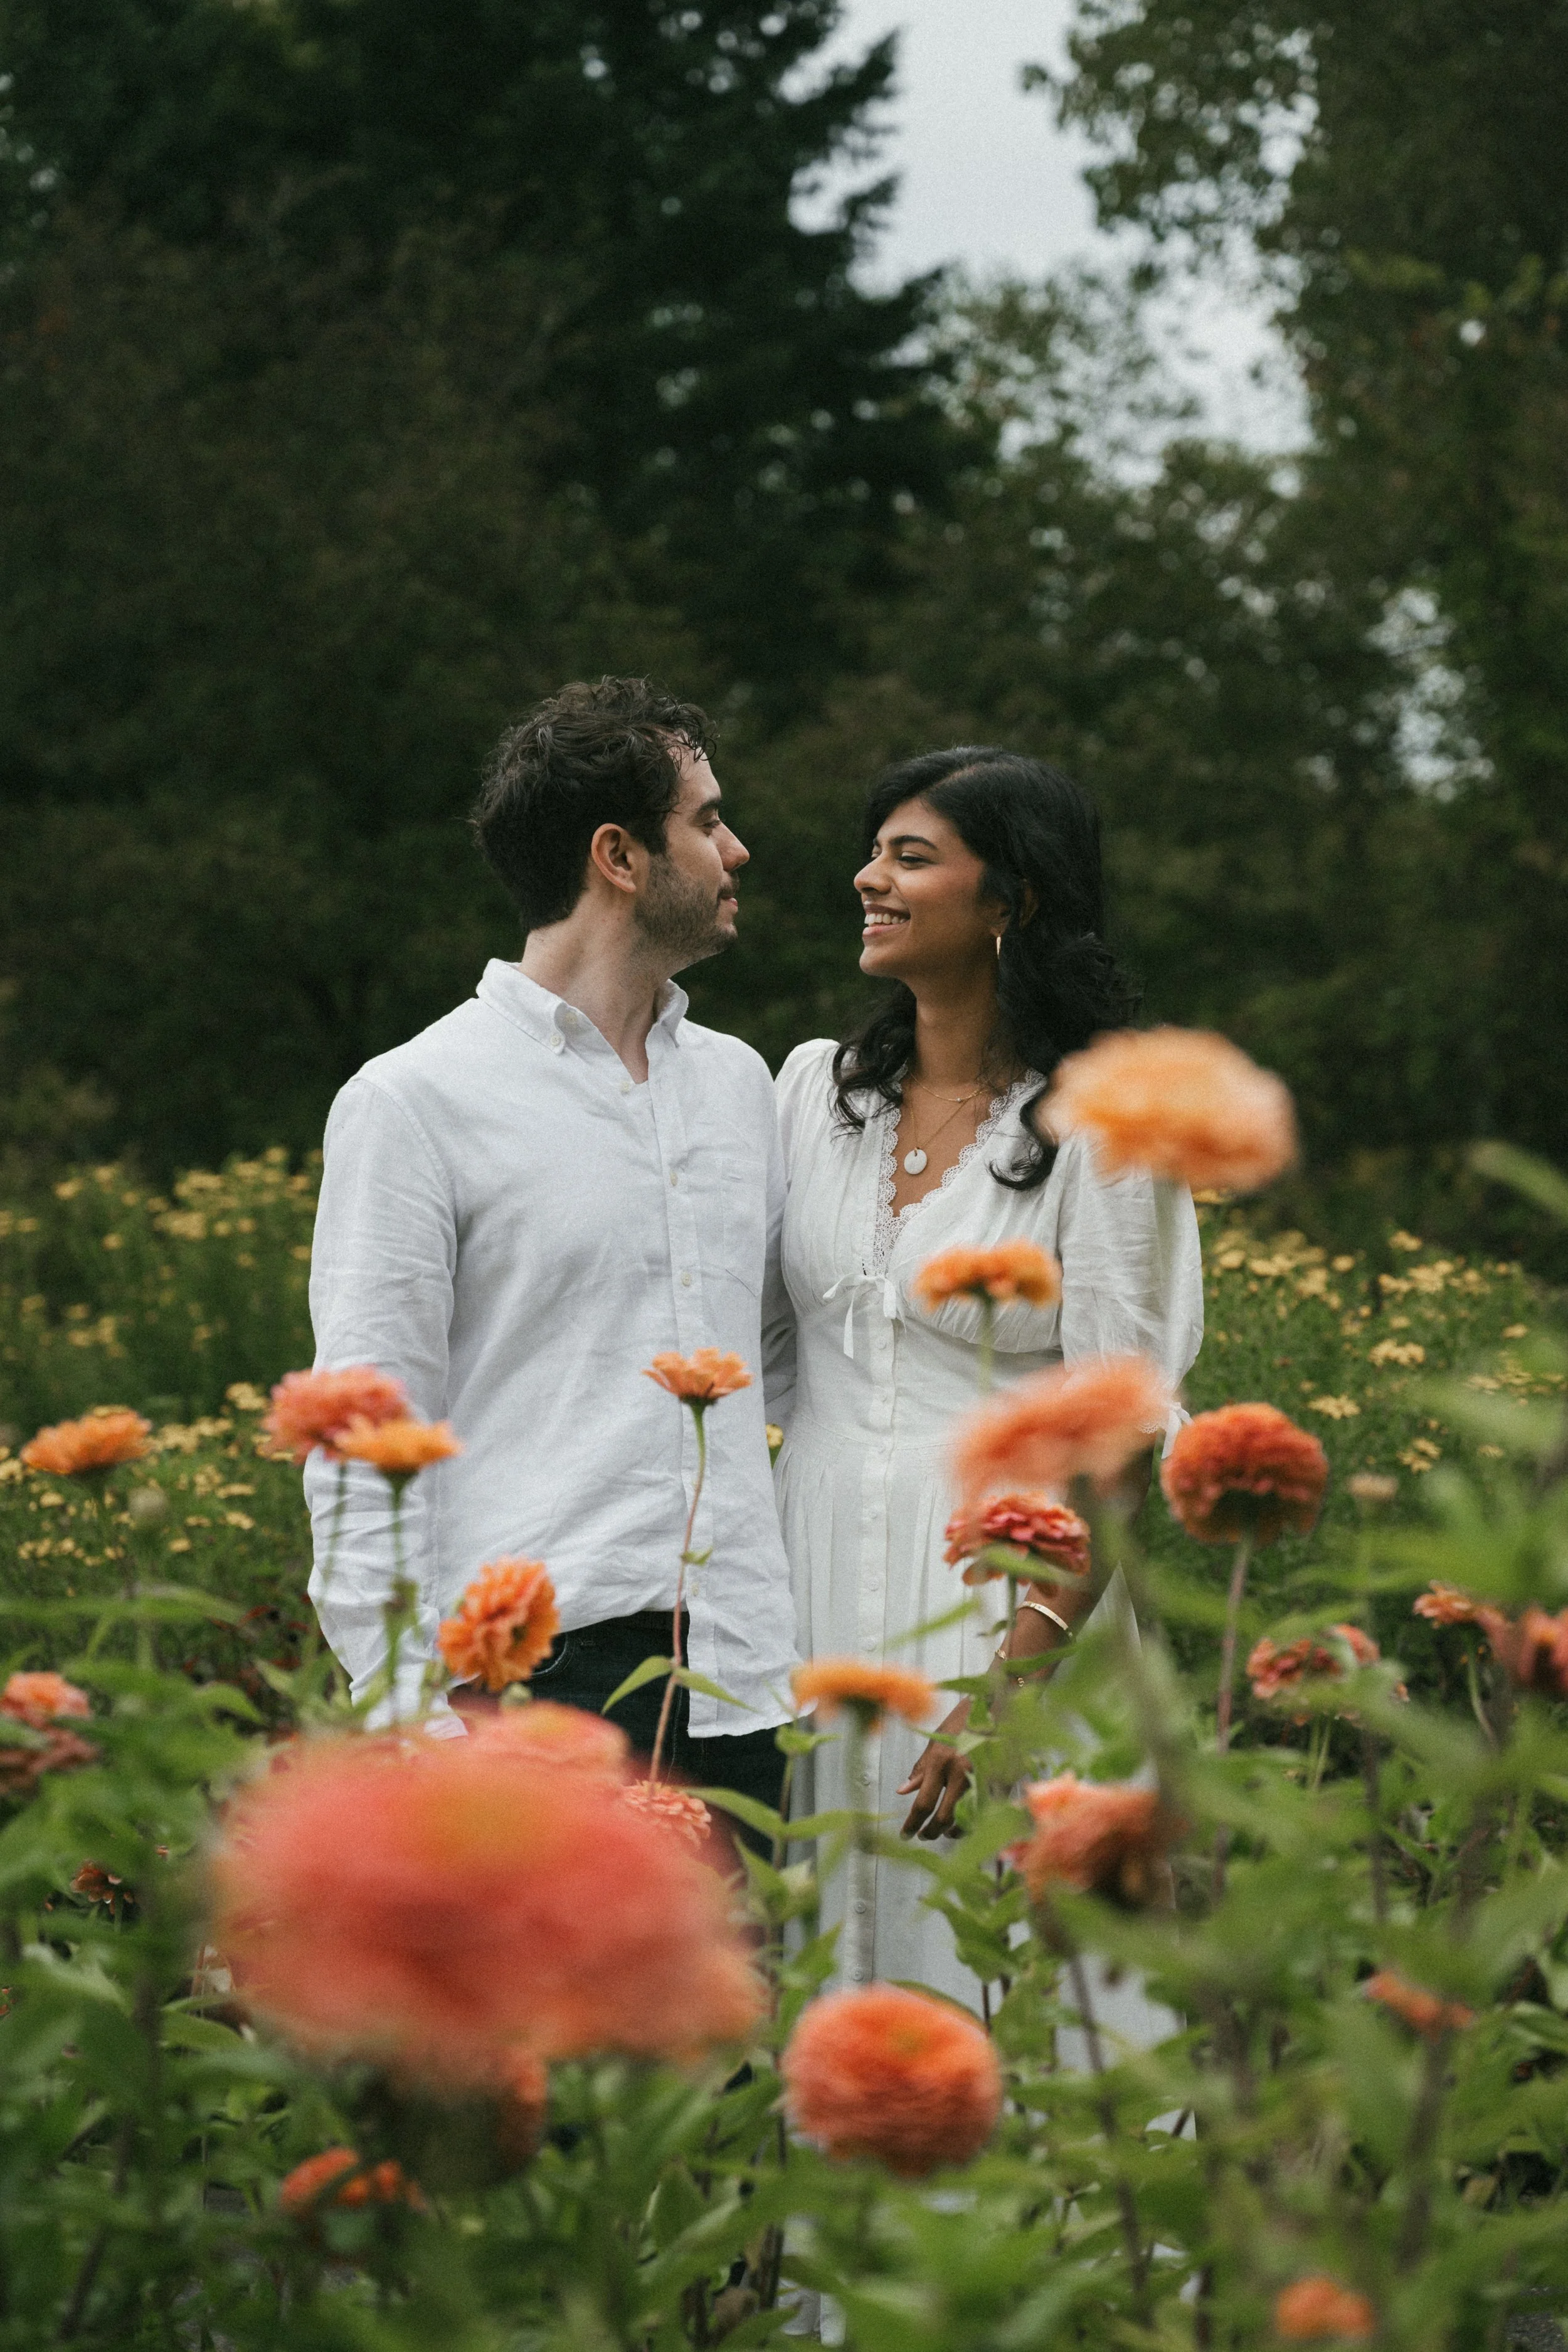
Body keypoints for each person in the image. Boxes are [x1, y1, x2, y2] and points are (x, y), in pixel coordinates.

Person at [303, 676, 798, 1816]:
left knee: (740, 2001)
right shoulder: (415, 1099)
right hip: (532, 1693)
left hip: (739, 1687)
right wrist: (408, 1723)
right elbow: (365, 1437)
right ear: (619, 856)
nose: (740, 849)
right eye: (708, 821)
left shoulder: (740, 1085)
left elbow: (787, 1351)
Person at [768, 745, 1203, 2009]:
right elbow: (758, 1362)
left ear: (1006, 902)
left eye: (911, 857)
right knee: (833, 1971)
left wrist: (1004, 1686)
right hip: (812, 1593)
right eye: (872, 851)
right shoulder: (812, 1094)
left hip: (1003, 1603)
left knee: (1004, 1982)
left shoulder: (1103, 1125)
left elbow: (1119, 1432)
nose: (868, 879)